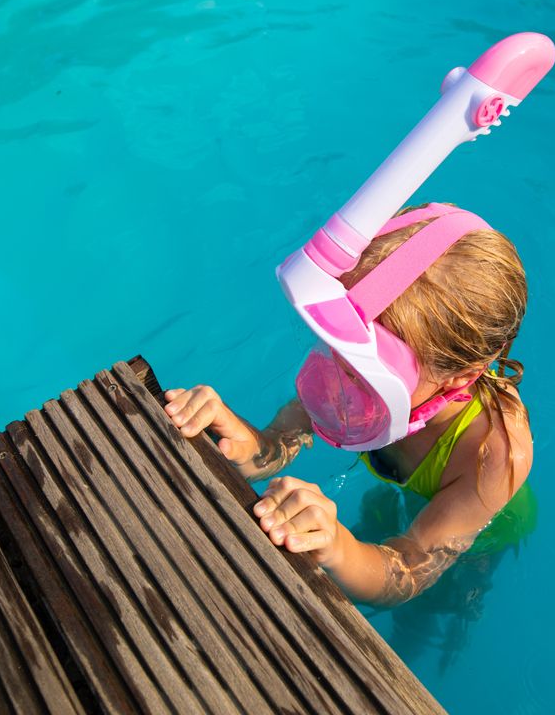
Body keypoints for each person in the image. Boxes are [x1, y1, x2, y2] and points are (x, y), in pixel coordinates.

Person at [163, 205, 533, 606]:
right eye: (339, 340)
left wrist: (338, 547)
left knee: (434, 611)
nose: (339, 370)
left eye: (369, 369)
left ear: (460, 377)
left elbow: (408, 572)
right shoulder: (351, 365)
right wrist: (240, 444)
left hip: (484, 525)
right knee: (376, 519)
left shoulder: (492, 454)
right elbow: (279, 443)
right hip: (400, 484)